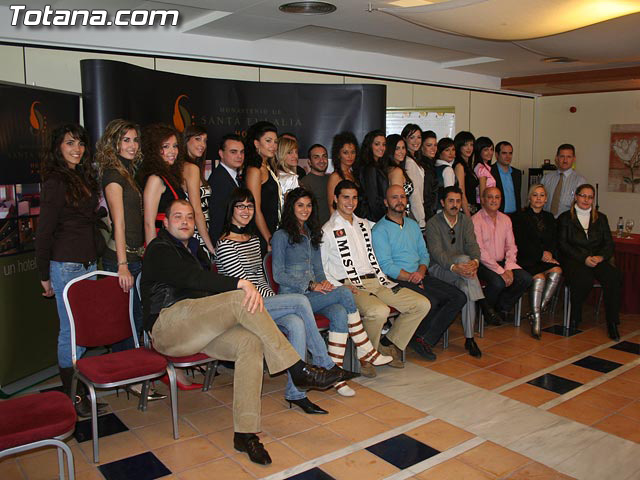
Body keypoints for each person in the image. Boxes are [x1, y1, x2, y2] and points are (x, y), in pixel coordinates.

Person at [141, 199, 344, 465]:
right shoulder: (159, 249)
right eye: (177, 217)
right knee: (240, 296)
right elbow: (193, 280)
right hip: (168, 326)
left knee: (250, 343)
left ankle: (245, 433)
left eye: (190, 217)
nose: (185, 222)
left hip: (197, 326)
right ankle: (296, 368)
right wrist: (240, 283)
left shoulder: (191, 251)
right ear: (165, 223)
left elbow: (203, 292)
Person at [215, 189, 356, 410]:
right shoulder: (224, 244)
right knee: (299, 302)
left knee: (296, 323)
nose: (246, 211)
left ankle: (295, 392)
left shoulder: (253, 240)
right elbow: (241, 287)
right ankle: (324, 363)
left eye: (249, 206)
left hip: (266, 301)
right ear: (231, 210)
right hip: (243, 306)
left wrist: (274, 298)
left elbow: (261, 280)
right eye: (240, 206)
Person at [272, 187, 391, 387]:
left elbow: (319, 270)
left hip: (314, 295)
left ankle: (335, 378)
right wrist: (311, 284)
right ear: (291, 208)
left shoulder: (312, 233)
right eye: (300, 205)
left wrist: (323, 282)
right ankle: (366, 349)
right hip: (293, 298)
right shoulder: (281, 236)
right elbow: (278, 275)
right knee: (345, 292)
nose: (305, 210)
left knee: (338, 311)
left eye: (309, 205)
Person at [320, 180, 429, 375]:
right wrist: (340, 287)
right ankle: (365, 355)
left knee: (421, 304)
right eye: (345, 197)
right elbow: (324, 269)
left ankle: (388, 345)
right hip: (350, 285)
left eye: (354, 197)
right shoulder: (327, 231)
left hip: (377, 280)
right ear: (336, 199)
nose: (350, 202)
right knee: (379, 311)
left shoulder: (365, 225)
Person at [35, 124, 107, 416]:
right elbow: (44, 232)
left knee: (83, 329)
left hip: (88, 263)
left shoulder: (80, 176)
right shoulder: (55, 181)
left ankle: (78, 390)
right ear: (58, 148)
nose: (77, 149)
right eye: (69, 144)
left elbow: (83, 214)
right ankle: (71, 395)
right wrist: (43, 276)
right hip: (65, 266)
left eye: (80, 144)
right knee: (71, 332)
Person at [372, 186, 466, 361]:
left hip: (419, 274)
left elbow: (424, 254)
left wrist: (420, 272)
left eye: (402, 197)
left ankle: (422, 338)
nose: (399, 201)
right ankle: (416, 337)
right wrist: (411, 277)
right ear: (386, 202)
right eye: (394, 197)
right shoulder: (379, 230)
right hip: (396, 279)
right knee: (432, 301)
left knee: (458, 297)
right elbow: (385, 266)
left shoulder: (413, 225)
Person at [425, 186, 485, 358]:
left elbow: (473, 245)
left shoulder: (465, 221)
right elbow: (437, 253)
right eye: (451, 201)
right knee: (462, 258)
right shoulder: (433, 223)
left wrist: (475, 262)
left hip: (463, 274)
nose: (455, 205)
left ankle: (469, 338)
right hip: (440, 270)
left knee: (466, 290)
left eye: (458, 201)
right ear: (443, 202)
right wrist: (456, 266)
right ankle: (484, 305)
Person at [557, 184, 622, 340]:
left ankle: (612, 323)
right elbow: (563, 244)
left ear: (593, 200)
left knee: (614, 277)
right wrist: (583, 258)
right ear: (576, 197)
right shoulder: (565, 218)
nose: (586, 200)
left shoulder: (601, 218)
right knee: (583, 279)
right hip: (575, 260)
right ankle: (575, 317)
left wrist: (600, 257)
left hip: (597, 259)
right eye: (583, 196)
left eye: (590, 197)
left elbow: (609, 244)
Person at [473, 187, 533, 324]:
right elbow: (480, 252)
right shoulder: (475, 220)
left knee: (526, 279)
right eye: (490, 197)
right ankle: (483, 310)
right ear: (483, 200)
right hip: (482, 264)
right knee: (497, 282)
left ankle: (501, 308)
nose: (494, 200)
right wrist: (501, 272)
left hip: (503, 263)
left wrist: (509, 268)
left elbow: (511, 246)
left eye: (497, 197)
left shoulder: (506, 219)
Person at [512, 184, 562, 339]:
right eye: (535, 195)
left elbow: (554, 240)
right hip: (527, 258)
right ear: (529, 198)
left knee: (557, 271)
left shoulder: (549, 217)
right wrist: (540, 254)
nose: (538, 198)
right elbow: (521, 242)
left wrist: (549, 254)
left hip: (544, 258)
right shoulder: (519, 217)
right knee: (539, 278)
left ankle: (536, 311)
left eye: (541, 195)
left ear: (546, 199)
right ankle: (537, 321)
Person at [138, 123, 186, 245]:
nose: (172, 151)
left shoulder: (170, 176)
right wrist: (153, 256)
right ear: (154, 150)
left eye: (175, 146)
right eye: (166, 146)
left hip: (174, 241)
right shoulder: (155, 179)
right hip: (161, 243)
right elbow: (149, 223)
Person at [244, 121, 280, 253]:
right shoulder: (255, 170)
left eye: (276, 142)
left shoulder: (268, 167)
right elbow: (255, 209)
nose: (273, 146)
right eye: (268, 141)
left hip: (272, 229)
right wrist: (268, 239)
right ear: (256, 143)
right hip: (261, 235)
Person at [182, 125, 215, 255]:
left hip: (194, 232)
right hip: (196, 235)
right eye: (197, 139)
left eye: (205, 140)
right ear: (186, 141)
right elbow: (196, 210)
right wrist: (209, 245)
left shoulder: (187, 166)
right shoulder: (191, 169)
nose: (202, 144)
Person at [207, 133, 244, 244]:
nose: (239, 156)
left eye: (242, 152)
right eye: (233, 152)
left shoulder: (234, 177)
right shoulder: (219, 179)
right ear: (221, 154)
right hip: (225, 244)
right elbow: (217, 217)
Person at [541, 144, 587, 218]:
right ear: (556, 158)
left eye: (569, 157)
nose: (565, 160)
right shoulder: (546, 178)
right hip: (547, 221)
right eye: (562, 156)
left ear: (574, 159)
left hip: (568, 223)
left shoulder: (580, 181)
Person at [327, 131, 365, 217]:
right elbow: (331, 207)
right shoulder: (335, 177)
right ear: (338, 154)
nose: (350, 156)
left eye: (353, 152)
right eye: (345, 152)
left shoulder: (355, 174)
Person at [358, 129, 388, 222]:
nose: (381, 148)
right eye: (377, 144)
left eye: (383, 144)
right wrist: (382, 219)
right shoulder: (370, 168)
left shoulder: (377, 166)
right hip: (373, 219)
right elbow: (373, 200)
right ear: (369, 145)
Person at [381, 134, 413, 217]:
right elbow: (398, 201)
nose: (401, 152)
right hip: (400, 216)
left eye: (403, 148)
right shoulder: (396, 171)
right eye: (397, 149)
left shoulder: (392, 169)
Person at [402, 124, 427, 229]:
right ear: (404, 139)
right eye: (412, 137)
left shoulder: (414, 159)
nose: (416, 141)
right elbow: (414, 194)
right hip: (414, 212)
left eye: (419, 137)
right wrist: (421, 219)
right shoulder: (409, 162)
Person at [300, 144, 330, 224]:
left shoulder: (332, 179)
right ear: (309, 162)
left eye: (324, 156)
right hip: (315, 231)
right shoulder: (305, 182)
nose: (322, 160)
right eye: (316, 157)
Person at [491, 141, 522, 214]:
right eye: (504, 153)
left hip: (516, 216)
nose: (508, 156)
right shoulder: (489, 172)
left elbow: (518, 196)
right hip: (497, 215)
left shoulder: (517, 173)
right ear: (497, 155)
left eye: (510, 153)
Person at [453, 131, 478, 216]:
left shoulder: (468, 166)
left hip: (473, 209)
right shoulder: (459, 166)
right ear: (459, 146)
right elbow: (461, 193)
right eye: (465, 145)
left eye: (471, 145)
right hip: (464, 211)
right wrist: (468, 216)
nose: (469, 148)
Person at [420, 130, 440, 223]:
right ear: (421, 147)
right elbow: (427, 196)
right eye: (429, 145)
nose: (433, 149)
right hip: (427, 215)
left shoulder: (431, 165)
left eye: (435, 145)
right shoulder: (425, 168)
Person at [275, 135, 300, 204]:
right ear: (281, 154)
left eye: (296, 152)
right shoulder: (291, 178)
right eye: (290, 152)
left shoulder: (275, 175)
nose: (295, 156)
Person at [473, 136, 496, 204]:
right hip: (484, 205)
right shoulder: (481, 169)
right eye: (486, 150)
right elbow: (482, 195)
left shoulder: (485, 167)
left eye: (491, 149)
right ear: (479, 151)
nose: (490, 152)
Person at [434, 137, 457, 206]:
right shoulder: (448, 170)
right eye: (447, 150)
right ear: (440, 152)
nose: (451, 153)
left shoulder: (435, 166)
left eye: (453, 150)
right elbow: (450, 194)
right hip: (445, 208)